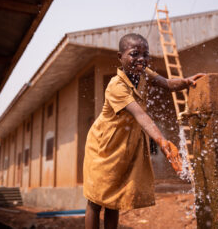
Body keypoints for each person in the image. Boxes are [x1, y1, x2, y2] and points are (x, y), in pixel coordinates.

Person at [83, 33, 204, 229]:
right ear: (120, 57)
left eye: (145, 54)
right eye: (134, 54)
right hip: (104, 147)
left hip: (125, 146)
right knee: (96, 201)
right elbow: (140, 116)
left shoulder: (144, 74)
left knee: (115, 202)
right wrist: (162, 142)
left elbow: (166, 83)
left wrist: (186, 81)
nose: (141, 59)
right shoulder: (116, 86)